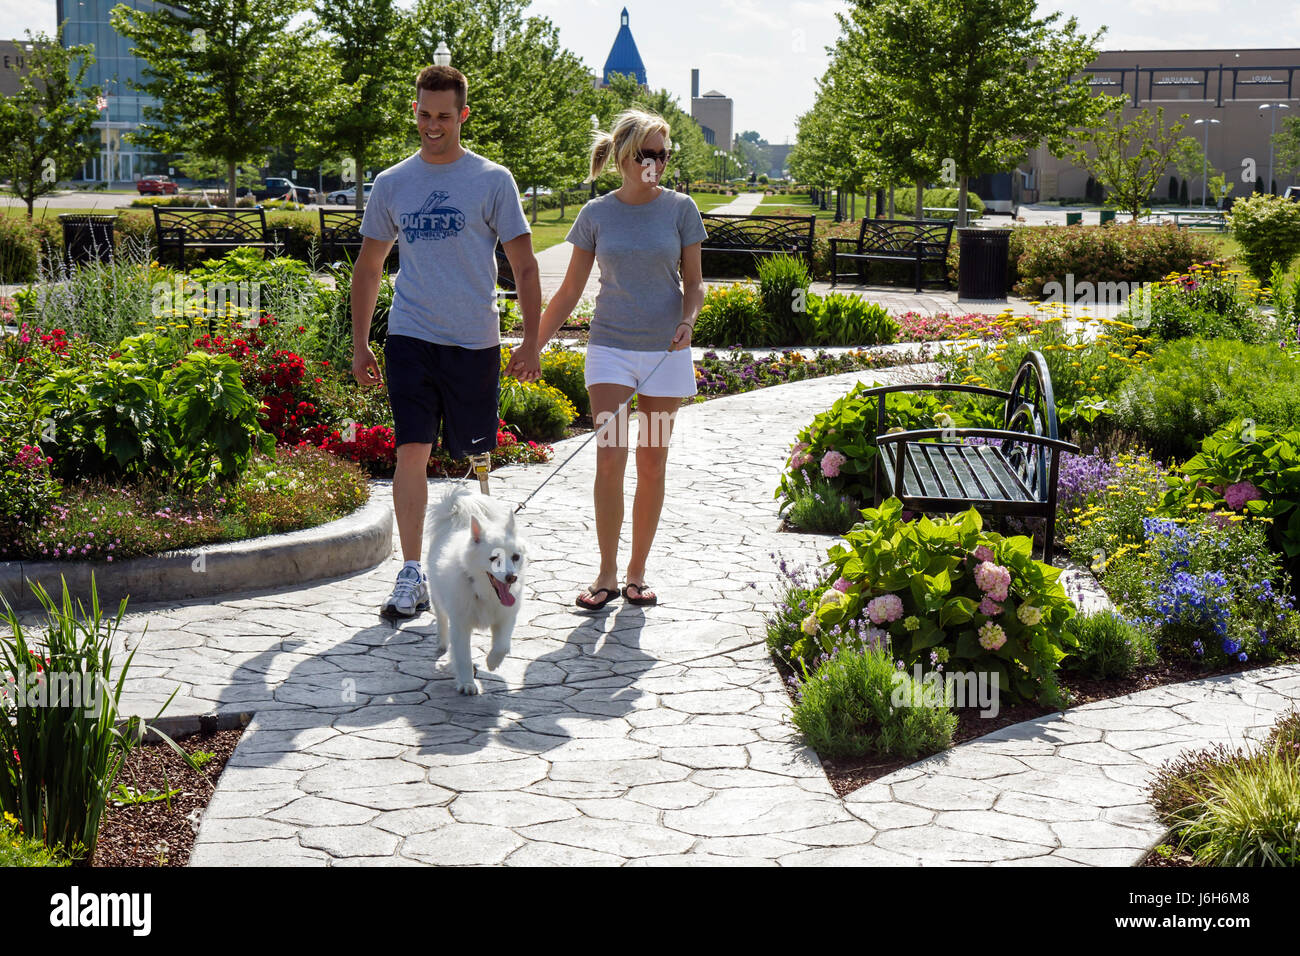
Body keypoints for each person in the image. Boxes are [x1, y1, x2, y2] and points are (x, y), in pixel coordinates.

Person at [352, 65, 541, 618]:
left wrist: (529, 342)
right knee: (411, 450)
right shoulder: (392, 183)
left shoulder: (491, 179)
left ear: (462, 115)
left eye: (444, 115)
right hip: (410, 336)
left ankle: (488, 570)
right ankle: (411, 575)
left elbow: (525, 266)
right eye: (424, 114)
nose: (433, 125)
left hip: (474, 342)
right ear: (415, 111)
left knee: (478, 458)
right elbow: (369, 268)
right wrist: (361, 344)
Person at [505, 109, 706, 609]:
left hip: (665, 355)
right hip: (611, 352)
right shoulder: (596, 214)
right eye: (648, 154)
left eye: (664, 154)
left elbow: (696, 283)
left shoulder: (681, 209)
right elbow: (571, 289)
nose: (657, 163)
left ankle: (637, 573)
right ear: (624, 156)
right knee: (611, 457)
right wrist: (534, 343)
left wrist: (689, 319)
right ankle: (607, 574)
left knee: (653, 462)